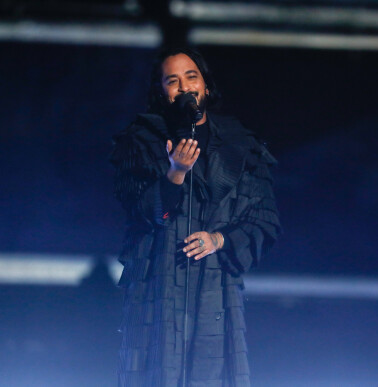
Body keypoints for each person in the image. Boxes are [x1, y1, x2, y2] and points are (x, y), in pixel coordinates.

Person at [111, 47, 281, 387]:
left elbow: (264, 219)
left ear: (205, 85)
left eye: (192, 76)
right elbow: (139, 211)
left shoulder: (241, 144)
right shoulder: (141, 141)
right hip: (158, 281)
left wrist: (219, 239)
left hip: (215, 288)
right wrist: (175, 173)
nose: (185, 86)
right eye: (172, 80)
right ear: (161, 91)